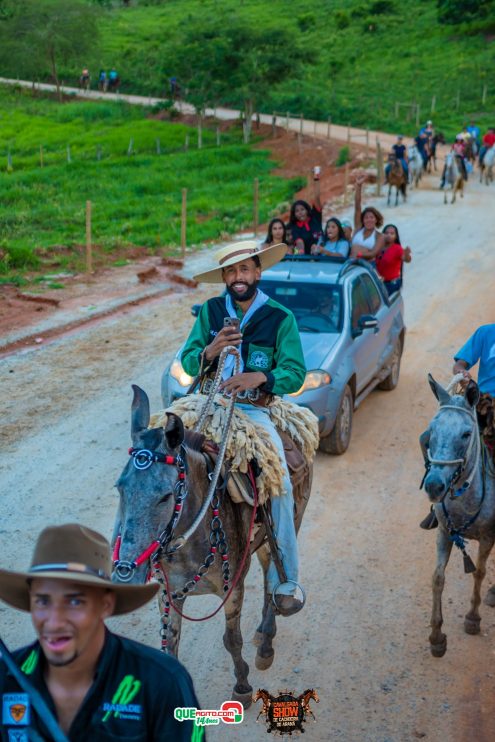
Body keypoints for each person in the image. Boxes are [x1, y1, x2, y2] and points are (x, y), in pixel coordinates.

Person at [181, 240, 306, 617]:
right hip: (205, 404)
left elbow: (296, 373)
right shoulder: (210, 311)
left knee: (280, 483)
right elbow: (187, 361)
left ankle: (287, 578)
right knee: (156, 455)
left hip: (253, 414)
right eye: (232, 272)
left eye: (245, 270)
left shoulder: (280, 317)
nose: (239, 278)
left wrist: (259, 377)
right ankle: (151, 552)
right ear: (224, 277)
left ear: (258, 272)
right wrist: (210, 350)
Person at [0, 524, 200, 740]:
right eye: (42, 601)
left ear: (105, 604)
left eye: (75, 601)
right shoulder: (5, 680)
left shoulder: (162, 682)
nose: (55, 622)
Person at [420, 325, 495, 530]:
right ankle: (437, 498)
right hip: (481, 403)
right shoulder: (486, 333)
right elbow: (459, 364)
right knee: (427, 438)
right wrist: (462, 372)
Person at [350, 172, 386, 260]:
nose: (369, 220)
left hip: (367, 267)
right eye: (366, 217)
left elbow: (373, 253)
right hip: (351, 265)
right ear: (363, 220)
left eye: (371, 217)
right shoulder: (358, 229)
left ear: (376, 220)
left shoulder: (380, 236)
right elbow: (357, 206)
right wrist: (359, 186)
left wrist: (357, 254)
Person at [288, 176, 322, 255]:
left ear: (307, 210)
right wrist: (301, 255)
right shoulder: (294, 226)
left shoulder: (315, 217)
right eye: (297, 211)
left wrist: (316, 179)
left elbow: (317, 197)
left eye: (302, 209)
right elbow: (299, 243)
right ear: (294, 214)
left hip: (322, 257)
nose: (300, 212)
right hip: (304, 258)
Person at [375, 224, 412, 295]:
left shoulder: (397, 249)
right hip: (379, 284)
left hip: (391, 285)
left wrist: (407, 254)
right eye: (386, 233)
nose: (389, 235)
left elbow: (407, 259)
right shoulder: (378, 246)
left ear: (395, 237)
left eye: (392, 233)